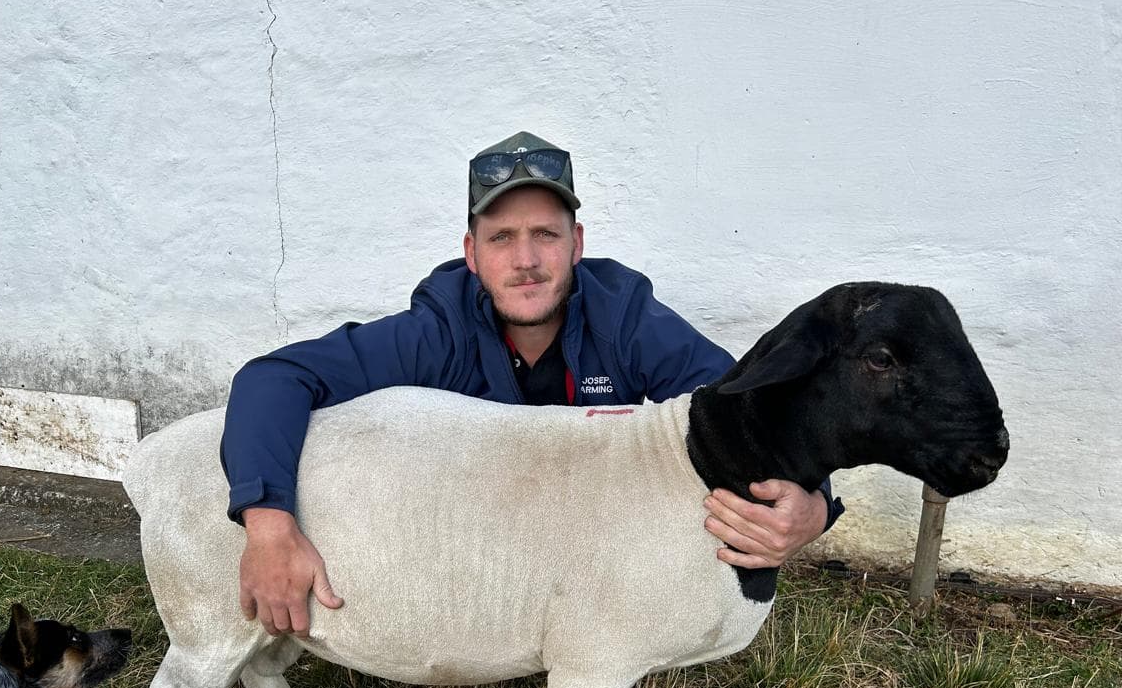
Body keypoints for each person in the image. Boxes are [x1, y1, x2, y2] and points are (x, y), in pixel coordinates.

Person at [221, 132, 842, 637]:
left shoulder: (624, 316)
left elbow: (747, 407)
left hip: (587, 549)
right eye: (502, 238)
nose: (525, 260)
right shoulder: (438, 331)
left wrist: (815, 507)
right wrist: (269, 526)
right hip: (470, 552)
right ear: (471, 254)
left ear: (577, 244)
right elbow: (275, 378)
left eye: (545, 234)